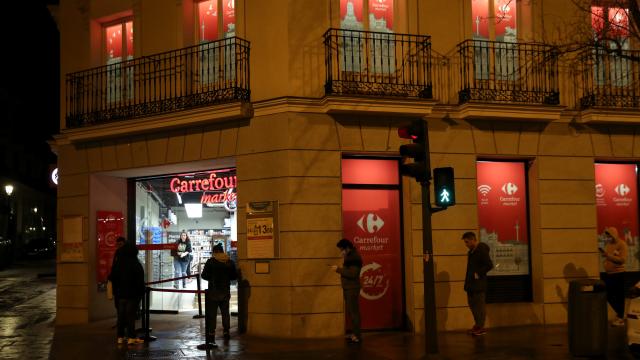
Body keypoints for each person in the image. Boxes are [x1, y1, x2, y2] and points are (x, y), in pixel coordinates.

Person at [109, 239, 145, 345]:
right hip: (132, 295)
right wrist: (140, 293)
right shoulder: (135, 263)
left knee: (121, 316)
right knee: (130, 316)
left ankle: (120, 337)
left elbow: (112, 277)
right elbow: (140, 280)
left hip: (120, 294)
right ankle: (131, 337)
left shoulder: (118, 263)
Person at [201, 243, 237, 342]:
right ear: (222, 251)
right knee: (225, 312)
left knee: (212, 313)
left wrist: (211, 279)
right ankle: (226, 331)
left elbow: (203, 275)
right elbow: (234, 276)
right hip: (225, 290)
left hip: (213, 291)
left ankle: (211, 332)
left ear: (214, 252)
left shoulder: (210, 262)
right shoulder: (229, 262)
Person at [331, 238, 362, 343]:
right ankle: (354, 333)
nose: (341, 252)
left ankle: (357, 335)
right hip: (348, 288)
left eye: (341, 249)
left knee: (354, 312)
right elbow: (348, 270)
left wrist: (338, 269)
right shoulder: (349, 256)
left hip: (352, 288)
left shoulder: (354, 257)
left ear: (347, 248)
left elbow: (353, 274)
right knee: (351, 312)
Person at [462, 231, 493, 336]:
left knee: (479, 306)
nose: (466, 245)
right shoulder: (471, 252)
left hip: (479, 284)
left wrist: (478, 273)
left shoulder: (481, 250)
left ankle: (481, 327)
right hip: (471, 285)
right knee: (472, 305)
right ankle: (478, 325)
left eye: (467, 242)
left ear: (472, 240)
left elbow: (489, 265)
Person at [600, 226, 628, 327]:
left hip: (619, 274)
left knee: (619, 296)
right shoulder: (608, 245)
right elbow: (609, 257)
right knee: (609, 295)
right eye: (607, 236)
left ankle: (620, 317)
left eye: (609, 236)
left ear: (614, 235)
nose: (608, 238)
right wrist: (605, 259)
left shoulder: (622, 244)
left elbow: (622, 260)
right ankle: (620, 314)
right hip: (610, 274)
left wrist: (608, 256)